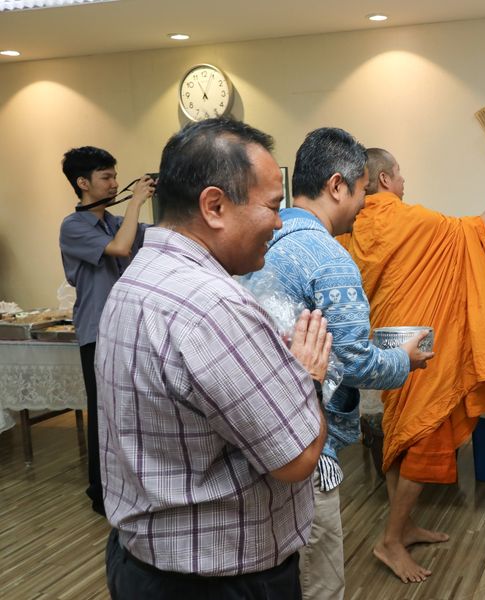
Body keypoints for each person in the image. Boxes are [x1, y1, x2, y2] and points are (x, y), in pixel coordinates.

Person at [96, 118, 331, 600]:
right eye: (273, 206)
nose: (279, 223)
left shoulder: (138, 277)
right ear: (215, 206)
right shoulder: (213, 305)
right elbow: (298, 458)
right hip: (217, 580)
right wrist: (306, 376)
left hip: (142, 564)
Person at [242, 127, 433, 600]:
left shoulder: (266, 239)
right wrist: (404, 360)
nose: (366, 204)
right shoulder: (329, 257)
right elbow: (354, 362)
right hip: (306, 442)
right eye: (364, 191)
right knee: (321, 577)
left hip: (257, 435)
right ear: (336, 186)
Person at [339, 148, 485, 583]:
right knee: (424, 437)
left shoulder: (351, 225)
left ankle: (404, 526)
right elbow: (478, 230)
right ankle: (390, 541)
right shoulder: (411, 220)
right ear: (385, 179)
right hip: (421, 345)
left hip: (386, 344)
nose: (404, 181)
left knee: (400, 436)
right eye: (400, 173)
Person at [58, 146, 155, 516]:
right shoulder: (74, 226)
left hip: (128, 330)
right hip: (97, 332)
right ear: (83, 183)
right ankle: (100, 492)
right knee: (102, 414)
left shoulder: (115, 221)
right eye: (106, 177)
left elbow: (157, 238)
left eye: (115, 176)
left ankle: (128, 486)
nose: (115, 183)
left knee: (130, 411)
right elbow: (120, 248)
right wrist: (137, 203)